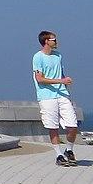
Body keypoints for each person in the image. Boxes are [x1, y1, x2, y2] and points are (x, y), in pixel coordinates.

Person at [34, 30, 79, 167]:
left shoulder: (58, 55)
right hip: (47, 97)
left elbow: (61, 74)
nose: (56, 41)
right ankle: (58, 155)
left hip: (62, 94)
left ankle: (69, 150)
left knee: (73, 126)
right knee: (52, 126)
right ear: (46, 41)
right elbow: (39, 79)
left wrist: (65, 84)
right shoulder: (38, 57)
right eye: (53, 39)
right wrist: (61, 81)